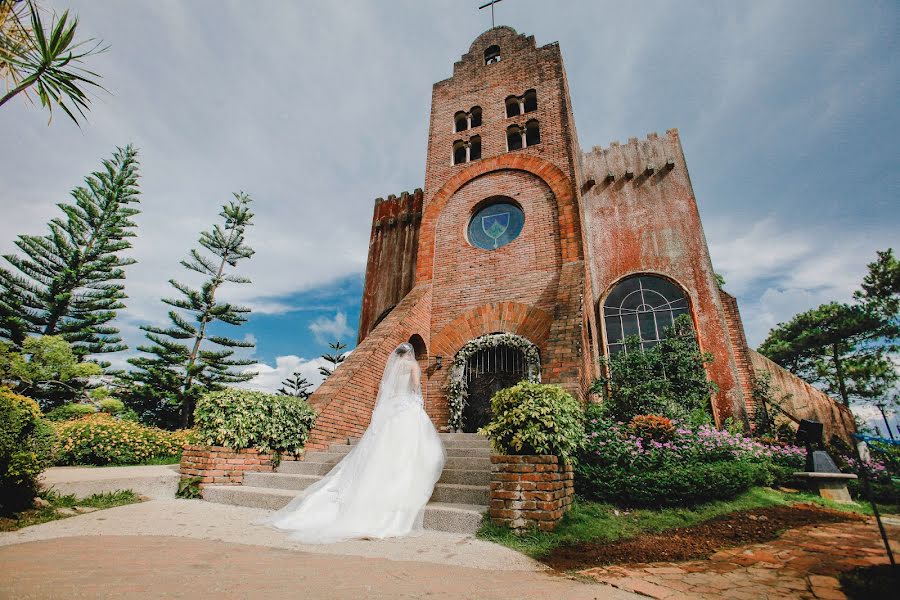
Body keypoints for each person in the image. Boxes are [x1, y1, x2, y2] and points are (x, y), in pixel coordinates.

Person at [258, 342, 446, 543]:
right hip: (406, 408)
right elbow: (416, 387)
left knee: (383, 447)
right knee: (410, 448)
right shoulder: (412, 366)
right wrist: (416, 402)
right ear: (411, 355)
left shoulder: (393, 367)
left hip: (392, 410)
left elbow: (388, 392)